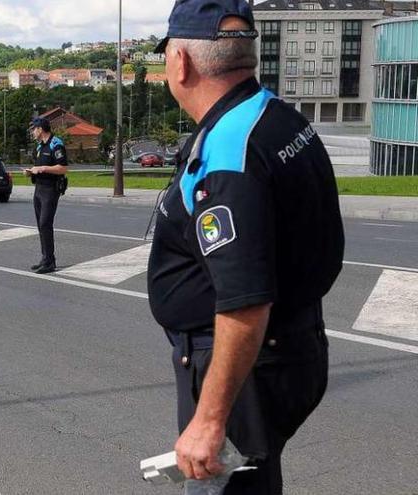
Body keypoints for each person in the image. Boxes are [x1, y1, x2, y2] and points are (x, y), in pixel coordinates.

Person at [146, 1, 345, 493]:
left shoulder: (230, 154)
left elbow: (246, 299)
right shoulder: (277, 118)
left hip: (242, 368)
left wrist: (211, 419)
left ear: (182, 62)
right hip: (289, 346)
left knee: (224, 485)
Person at [24, 117, 68, 274]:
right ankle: (45, 258)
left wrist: (42, 168)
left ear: (40, 129)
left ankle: (50, 262)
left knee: (45, 224)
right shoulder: (39, 146)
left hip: (50, 189)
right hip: (39, 188)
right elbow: (39, 166)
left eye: (34, 129)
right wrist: (31, 171)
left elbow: (62, 168)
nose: (32, 132)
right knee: (40, 225)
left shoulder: (56, 144)